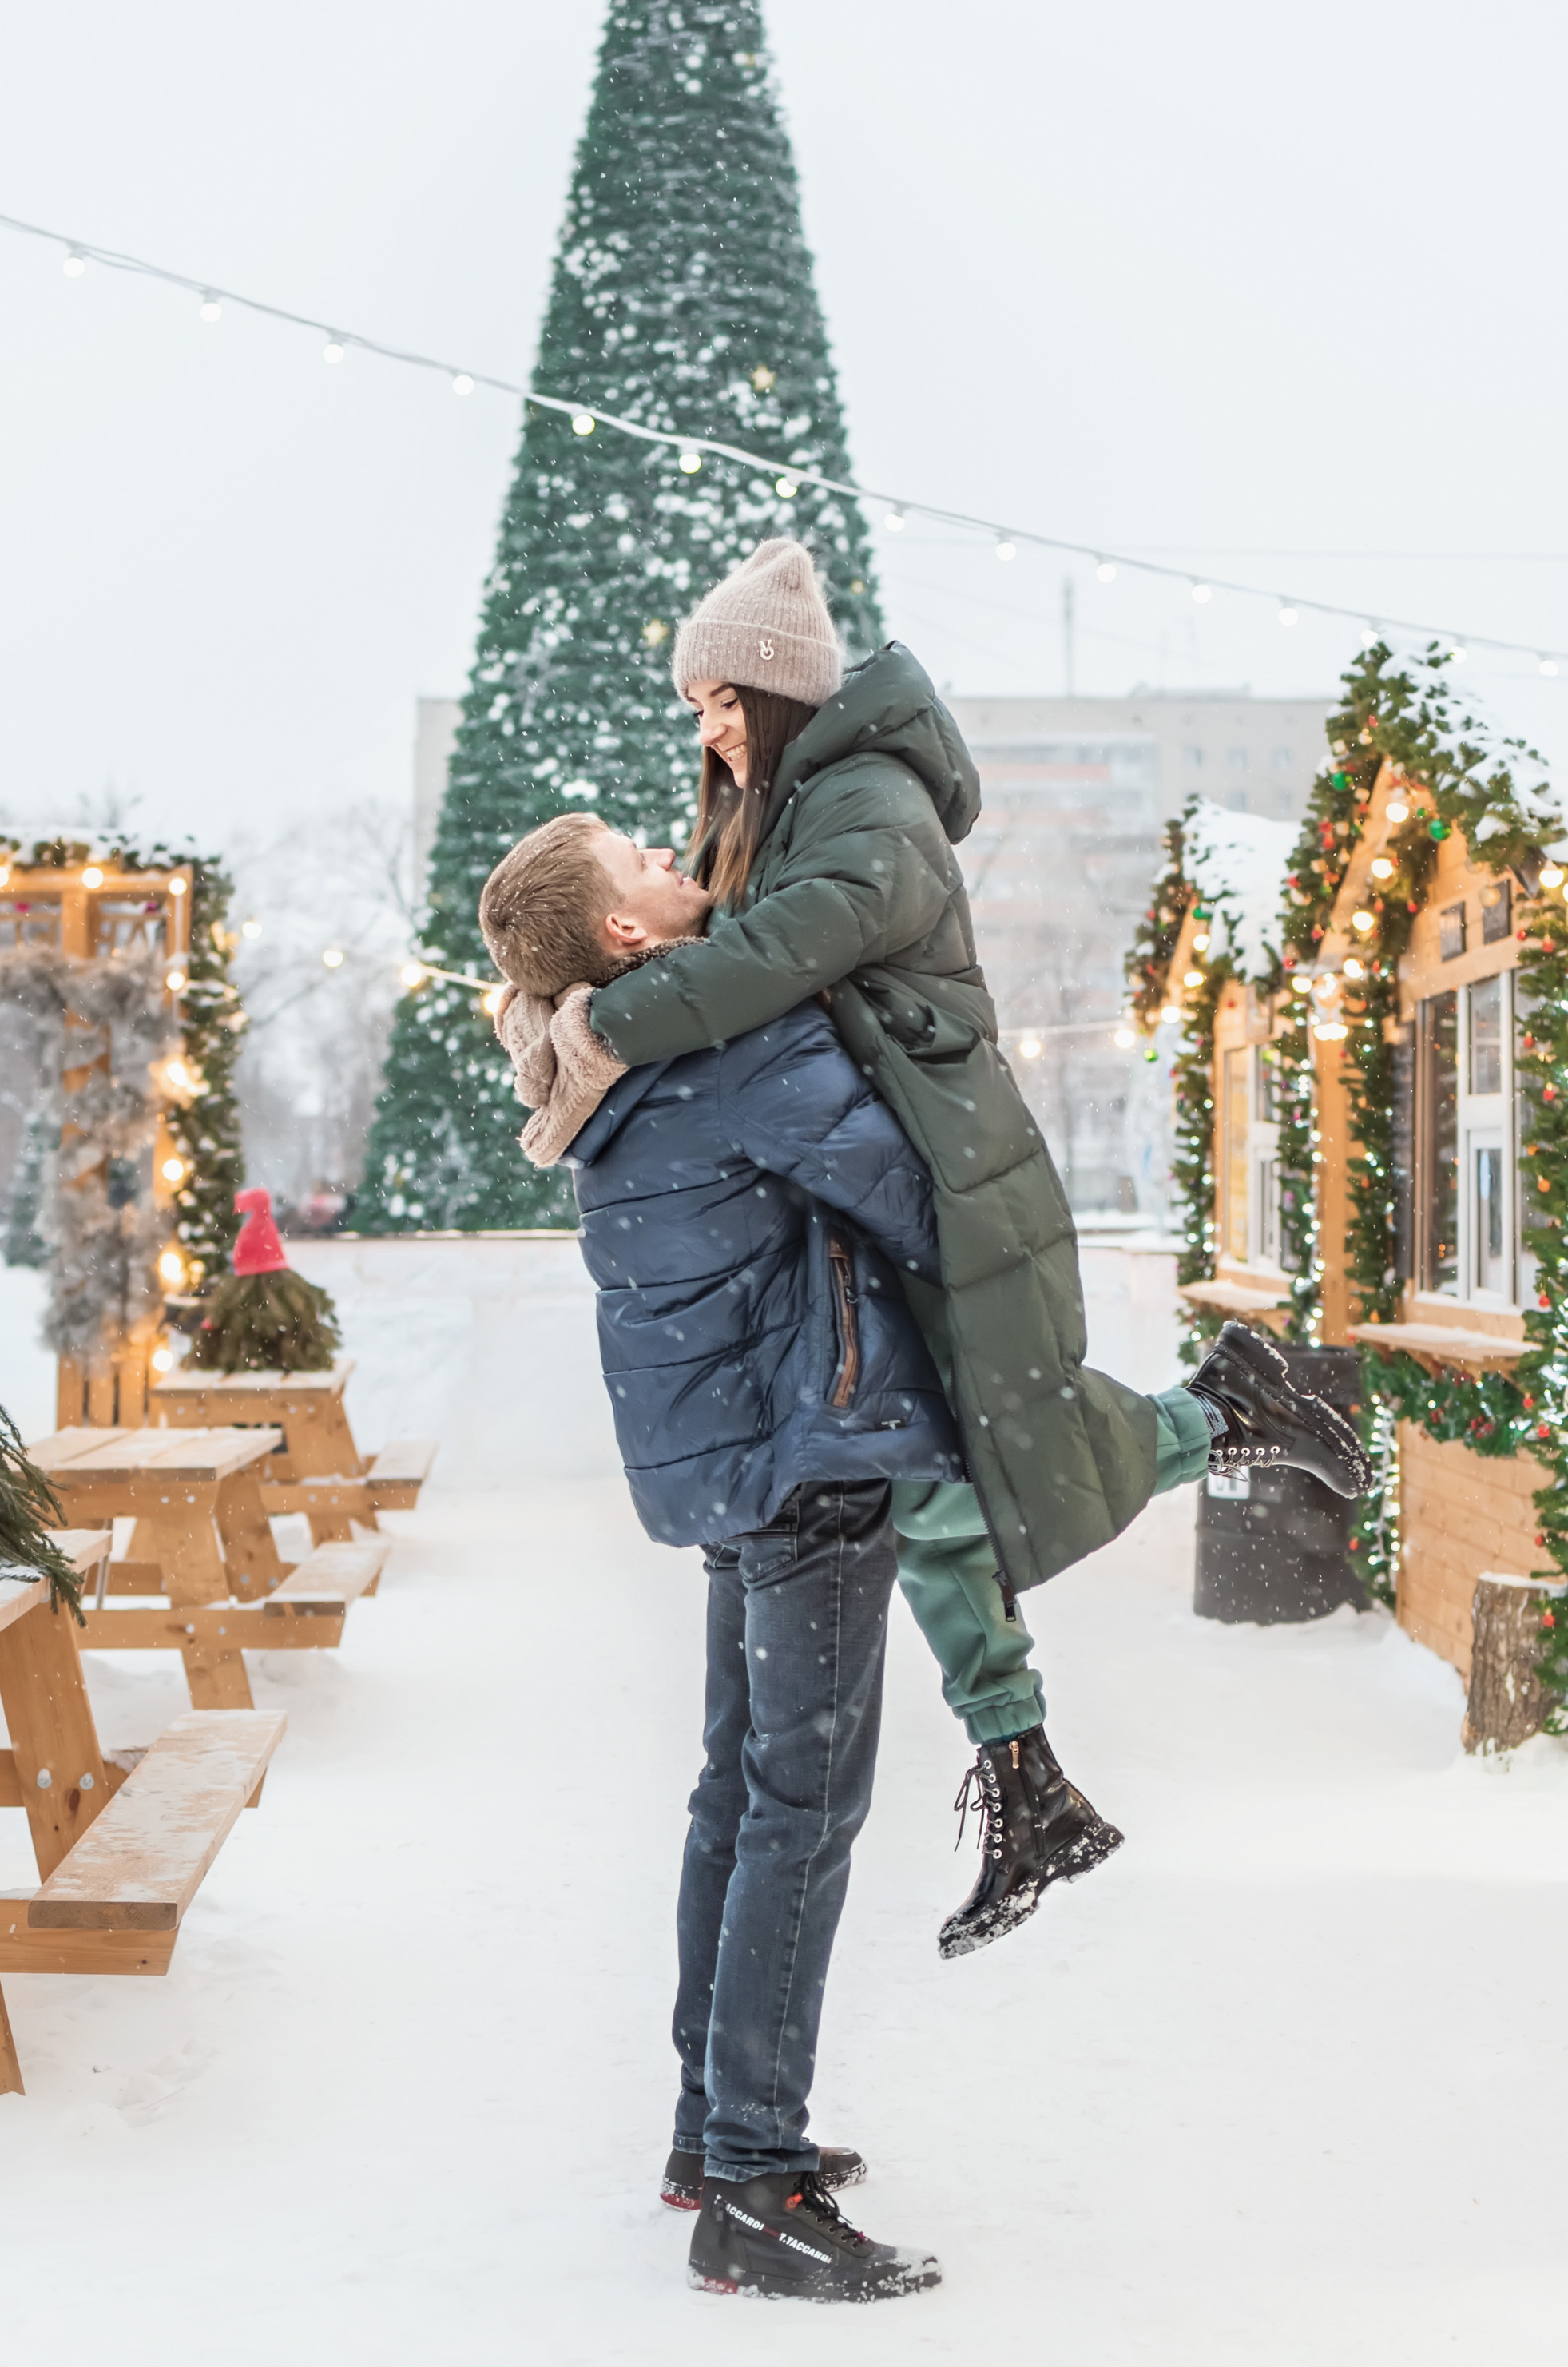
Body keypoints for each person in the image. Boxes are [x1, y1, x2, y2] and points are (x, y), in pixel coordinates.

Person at [478, 812, 1362, 2300]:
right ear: (627, 936)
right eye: (639, 856)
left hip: (733, 1470)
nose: (666, 851)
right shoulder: (724, 1045)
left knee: (737, 1794)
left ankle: (715, 2133)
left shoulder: (608, 1074)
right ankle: (755, 2180)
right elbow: (919, 1187)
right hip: (816, 1460)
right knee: (798, 1817)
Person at [583, 540, 1368, 1956]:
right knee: (940, 1475)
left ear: (775, 685)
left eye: (717, 696)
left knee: (1000, 1447)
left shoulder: (867, 805)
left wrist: (591, 1028)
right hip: (868, 1180)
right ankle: (1031, 1782)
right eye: (693, 701)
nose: (702, 727)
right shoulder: (767, 811)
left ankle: (1229, 1408)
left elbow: (773, 960)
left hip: (939, 1171)